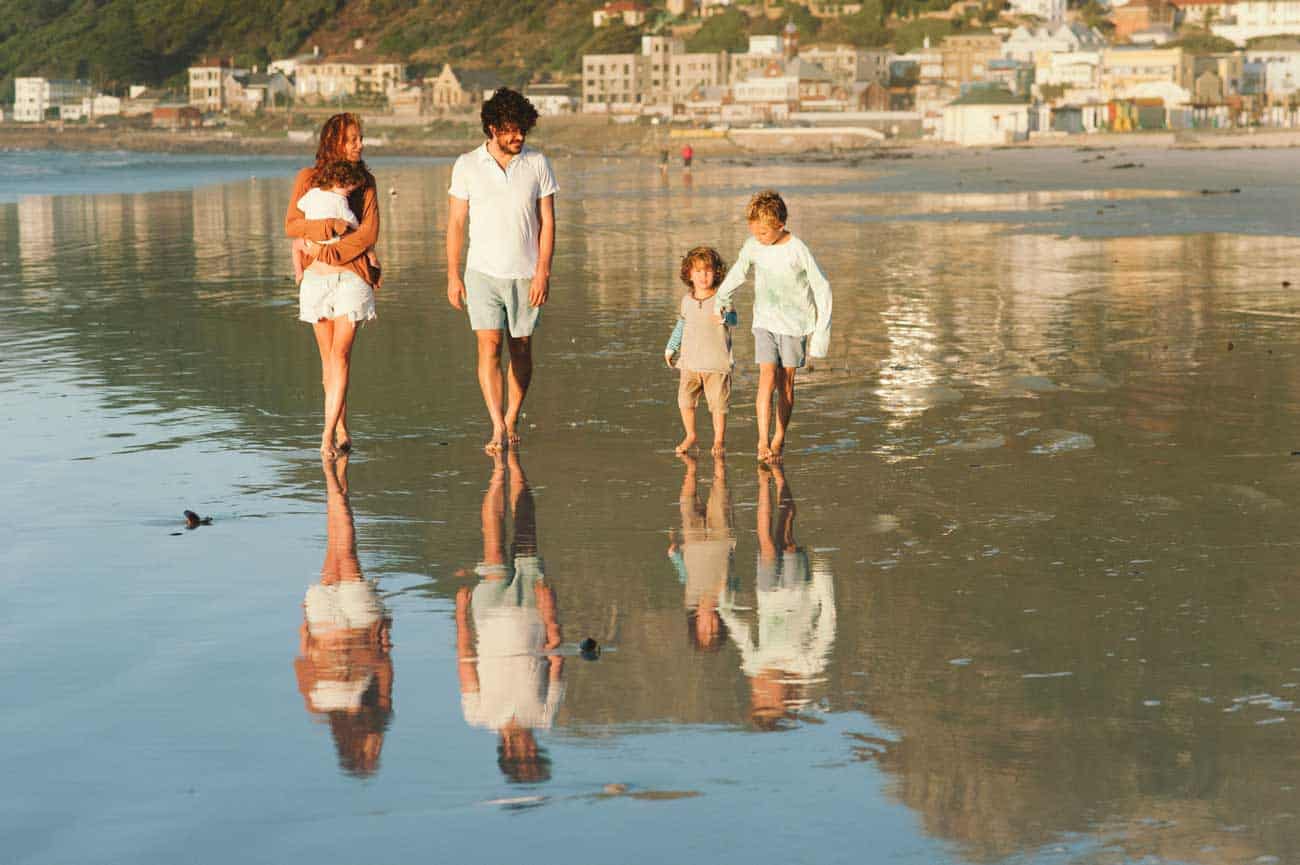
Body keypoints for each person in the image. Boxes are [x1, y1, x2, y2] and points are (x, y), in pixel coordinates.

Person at [446, 88, 558, 455]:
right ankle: (497, 425)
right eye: (511, 130)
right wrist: (453, 274)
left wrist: (543, 272)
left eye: (523, 129)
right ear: (492, 129)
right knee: (489, 346)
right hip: (481, 272)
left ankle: (512, 418)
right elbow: (456, 224)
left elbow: (548, 222)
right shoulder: (466, 165)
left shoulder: (537, 163)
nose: (519, 137)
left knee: (521, 348)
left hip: (525, 274)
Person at [456, 450, 564, 784]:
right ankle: (516, 469)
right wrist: (550, 613)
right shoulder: (545, 717)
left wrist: (460, 615)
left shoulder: (478, 715)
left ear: (508, 754)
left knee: (493, 545)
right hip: (532, 611)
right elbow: (557, 658)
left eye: (525, 757)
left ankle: (497, 474)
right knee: (527, 533)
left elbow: (465, 661)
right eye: (535, 756)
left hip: (488, 616)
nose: (531, 750)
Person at [284, 113, 381, 458]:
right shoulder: (307, 179)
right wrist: (328, 229)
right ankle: (340, 425)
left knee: (340, 355)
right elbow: (292, 225)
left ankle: (327, 436)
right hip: (316, 279)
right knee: (328, 359)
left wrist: (332, 251)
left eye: (360, 137)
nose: (360, 144)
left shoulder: (365, 182)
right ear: (334, 142)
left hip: (352, 276)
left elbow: (369, 233)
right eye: (353, 139)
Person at [714, 190, 832, 464]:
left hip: (794, 324)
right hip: (764, 321)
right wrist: (723, 297)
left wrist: (820, 336)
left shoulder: (797, 249)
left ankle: (779, 435)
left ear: (781, 224)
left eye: (764, 233)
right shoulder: (754, 245)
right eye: (755, 232)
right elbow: (739, 271)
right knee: (766, 376)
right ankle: (762, 440)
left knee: (785, 384)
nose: (759, 238)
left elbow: (821, 287)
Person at [294, 454, 394, 777]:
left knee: (339, 548)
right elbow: (385, 669)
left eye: (369, 753)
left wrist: (306, 628)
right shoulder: (325, 708)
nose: (374, 749)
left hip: (338, 625)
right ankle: (335, 481)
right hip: (337, 623)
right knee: (343, 550)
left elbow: (302, 662)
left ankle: (334, 481)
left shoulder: (319, 708)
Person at [719, 464, 835, 731]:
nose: (764, 694)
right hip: (798, 592)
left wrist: (724, 608)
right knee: (786, 533)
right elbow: (827, 626)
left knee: (766, 543)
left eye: (759, 700)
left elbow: (742, 635)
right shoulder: (807, 668)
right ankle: (781, 479)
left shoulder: (754, 667)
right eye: (770, 702)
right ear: (787, 704)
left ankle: (764, 481)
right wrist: (823, 582)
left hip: (768, 595)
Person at [664, 246, 737, 455]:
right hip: (690, 362)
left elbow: (734, 320)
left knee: (719, 405)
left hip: (717, 363)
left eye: (707, 270)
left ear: (717, 272)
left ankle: (719, 440)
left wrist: (724, 317)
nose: (703, 276)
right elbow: (681, 324)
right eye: (697, 271)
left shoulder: (722, 298)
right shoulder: (687, 300)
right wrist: (671, 347)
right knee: (685, 401)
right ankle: (691, 435)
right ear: (689, 274)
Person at [667, 453, 735, 653]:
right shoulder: (727, 605)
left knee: (687, 503)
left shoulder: (689, 601)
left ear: (695, 625)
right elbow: (732, 580)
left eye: (705, 630)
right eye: (714, 631)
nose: (710, 626)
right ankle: (719, 456)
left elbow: (684, 577)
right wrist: (717, 594)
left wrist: (674, 557)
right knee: (720, 495)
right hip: (720, 542)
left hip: (694, 545)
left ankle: (690, 467)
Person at [292, 160, 380, 284]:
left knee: (296, 245)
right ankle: (371, 256)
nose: (349, 195)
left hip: (312, 241)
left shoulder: (313, 193)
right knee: (360, 239)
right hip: (333, 240)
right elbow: (350, 219)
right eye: (349, 191)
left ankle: (298, 272)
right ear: (338, 183)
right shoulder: (340, 200)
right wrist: (356, 226)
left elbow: (300, 205)